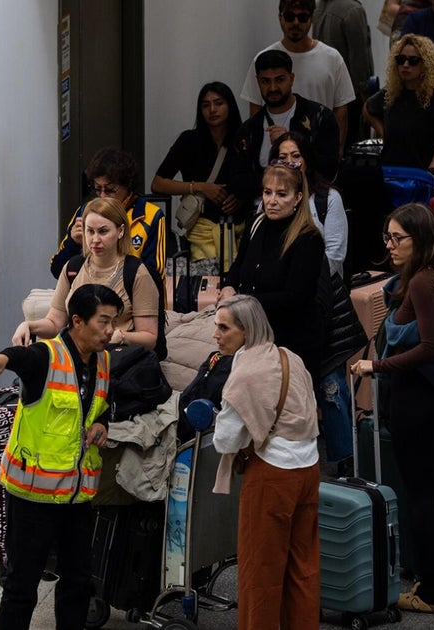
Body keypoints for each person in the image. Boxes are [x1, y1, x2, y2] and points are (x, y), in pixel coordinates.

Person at [352, 203, 434, 613]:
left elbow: (430, 346)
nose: (390, 246)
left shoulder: (422, 282)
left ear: (419, 240)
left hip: (416, 400)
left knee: (422, 496)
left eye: (397, 238)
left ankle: (429, 592)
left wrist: (376, 366)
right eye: (387, 237)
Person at [0, 283, 119, 630]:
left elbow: (101, 407)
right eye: (103, 321)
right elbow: (19, 357)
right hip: (32, 495)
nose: (110, 330)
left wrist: (101, 424)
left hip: (77, 496)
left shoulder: (103, 361)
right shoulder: (47, 357)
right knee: (22, 585)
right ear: (77, 321)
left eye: (114, 321)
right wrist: (1, 360)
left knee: (77, 583)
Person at [210, 294, 320, 630]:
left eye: (223, 327)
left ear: (246, 331)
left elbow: (225, 440)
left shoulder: (244, 375)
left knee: (261, 572)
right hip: (308, 468)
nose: (216, 334)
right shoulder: (291, 358)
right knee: (303, 568)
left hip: (272, 474)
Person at [269, 131, 367, 472]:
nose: (289, 163)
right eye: (282, 157)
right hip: (284, 309)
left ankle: (344, 462)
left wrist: (298, 276)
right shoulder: (268, 202)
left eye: (295, 155)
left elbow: (335, 254)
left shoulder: (327, 199)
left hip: (323, 304)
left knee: (330, 384)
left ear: (307, 159)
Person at [219, 161, 326, 378]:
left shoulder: (308, 238)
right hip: (252, 335)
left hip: (290, 343)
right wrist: (229, 286)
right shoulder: (257, 223)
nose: (272, 201)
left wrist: (243, 301)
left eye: (281, 194)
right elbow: (239, 266)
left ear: (297, 198)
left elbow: (295, 298)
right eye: (268, 193)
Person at [17, 197, 160, 351]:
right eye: (90, 231)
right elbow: (54, 323)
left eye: (103, 231)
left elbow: (149, 337)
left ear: (121, 231)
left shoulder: (136, 272)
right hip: (77, 360)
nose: (95, 239)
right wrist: (28, 325)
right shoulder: (73, 267)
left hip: (117, 361)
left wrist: (120, 336)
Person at [239, 0, 356, 151]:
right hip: (274, 159)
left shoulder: (332, 58)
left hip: (319, 155)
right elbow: (255, 110)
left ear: (311, 18)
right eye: (289, 16)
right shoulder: (264, 59)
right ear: (280, 17)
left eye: (302, 17)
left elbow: (341, 111)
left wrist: (336, 154)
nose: (295, 23)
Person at [228, 49, 340, 206]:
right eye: (266, 81)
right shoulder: (248, 131)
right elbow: (238, 183)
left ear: (291, 79)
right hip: (261, 215)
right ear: (257, 81)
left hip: (309, 209)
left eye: (280, 80)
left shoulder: (320, 118)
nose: (273, 88)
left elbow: (328, 169)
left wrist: (293, 143)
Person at [151, 81, 244, 266]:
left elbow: (258, 179)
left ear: (230, 106)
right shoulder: (189, 140)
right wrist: (199, 187)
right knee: (203, 285)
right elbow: (157, 183)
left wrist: (242, 198)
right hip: (201, 230)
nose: (212, 109)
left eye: (218, 103)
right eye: (205, 105)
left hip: (239, 228)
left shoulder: (243, 139)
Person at [49, 147, 166, 278]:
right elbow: (57, 271)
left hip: (132, 295)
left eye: (110, 190)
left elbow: (154, 277)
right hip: (90, 294)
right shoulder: (85, 212)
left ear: (128, 186)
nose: (103, 197)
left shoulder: (150, 216)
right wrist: (74, 244)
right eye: (98, 189)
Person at [365, 34, 434, 174]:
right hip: (391, 173)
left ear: (426, 64)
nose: (405, 65)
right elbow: (368, 109)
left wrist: (431, 173)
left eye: (413, 61)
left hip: (422, 173)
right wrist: (384, 133)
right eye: (401, 59)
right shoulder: (392, 92)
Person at [314, 0, 375, 147]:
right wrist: (367, 98)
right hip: (350, 98)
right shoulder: (352, 10)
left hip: (325, 94)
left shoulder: (320, 7)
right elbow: (359, 59)